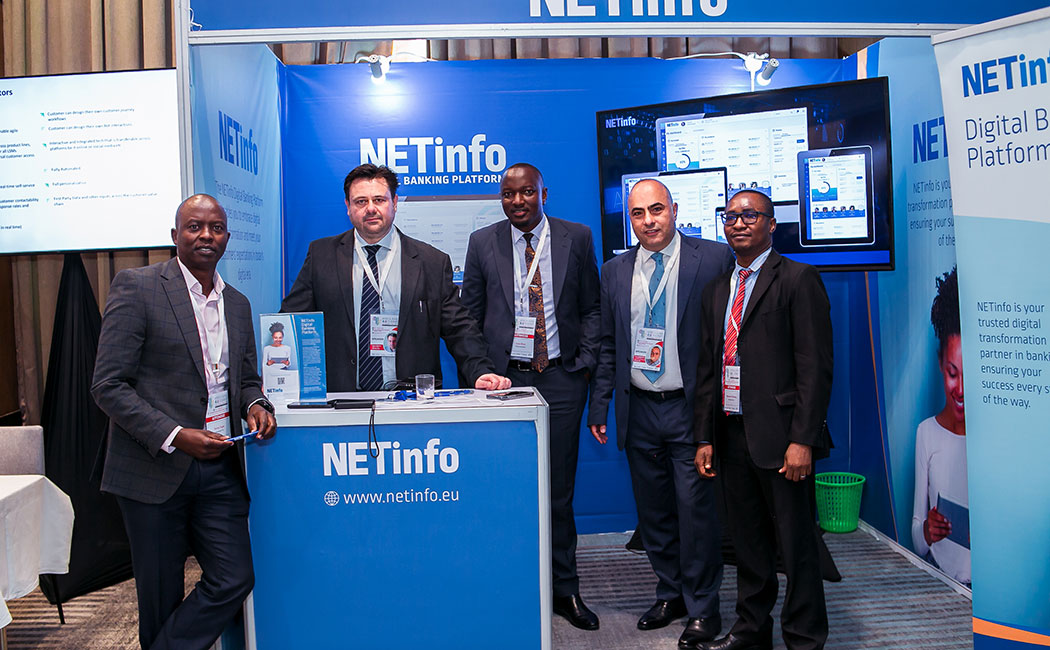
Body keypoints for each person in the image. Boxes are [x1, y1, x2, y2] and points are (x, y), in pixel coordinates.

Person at [91, 194, 277, 650]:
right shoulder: (138, 287)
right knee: (160, 597)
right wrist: (175, 435)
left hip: (219, 466)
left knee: (234, 577)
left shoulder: (237, 303)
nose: (206, 235)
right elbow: (108, 385)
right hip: (153, 468)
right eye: (195, 227)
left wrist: (256, 404)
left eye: (216, 228)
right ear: (175, 235)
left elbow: (245, 379)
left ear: (227, 238)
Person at [588, 179, 734, 648]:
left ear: (674, 209)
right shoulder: (614, 271)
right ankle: (671, 593)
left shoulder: (713, 258)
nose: (648, 221)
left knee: (695, 515)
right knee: (653, 514)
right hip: (639, 409)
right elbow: (608, 344)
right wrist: (600, 404)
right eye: (638, 213)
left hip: (690, 410)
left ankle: (703, 607)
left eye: (656, 209)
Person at [460, 162, 602, 630]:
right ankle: (512, 585)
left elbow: (592, 307)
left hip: (561, 380)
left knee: (558, 492)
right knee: (503, 488)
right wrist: (481, 373)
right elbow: (469, 318)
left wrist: (583, 364)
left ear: (544, 193)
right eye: (508, 194)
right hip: (505, 383)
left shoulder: (576, 237)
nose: (517, 201)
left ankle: (565, 589)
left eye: (526, 192)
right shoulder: (482, 242)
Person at [693, 189, 833, 650]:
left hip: (783, 439)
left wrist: (803, 439)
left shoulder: (797, 279)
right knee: (748, 544)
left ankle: (804, 638)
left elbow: (815, 367)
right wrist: (704, 437)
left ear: (771, 224)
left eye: (750, 215)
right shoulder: (717, 289)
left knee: (797, 546)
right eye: (730, 216)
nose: (738, 222)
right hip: (731, 434)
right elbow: (708, 370)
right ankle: (751, 630)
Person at [281, 163, 510, 392]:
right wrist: (276, 375)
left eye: (379, 200)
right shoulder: (322, 256)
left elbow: (459, 327)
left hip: (411, 398)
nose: (371, 208)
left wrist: (480, 371)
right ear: (348, 207)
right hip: (342, 398)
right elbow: (291, 320)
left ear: (395, 203)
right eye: (361, 202)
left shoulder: (431, 262)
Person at [912, 266, 969, 585]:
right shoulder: (927, 433)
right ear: (940, 364)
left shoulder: (999, 443)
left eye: (969, 375)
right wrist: (927, 530)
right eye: (952, 373)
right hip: (940, 581)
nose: (960, 389)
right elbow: (917, 542)